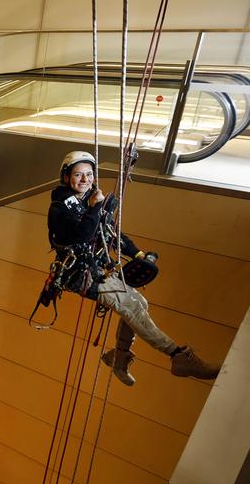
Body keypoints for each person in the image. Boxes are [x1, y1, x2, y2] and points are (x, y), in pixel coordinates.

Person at [46, 150, 220, 386]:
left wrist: (138, 253)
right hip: (80, 275)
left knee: (140, 303)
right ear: (66, 177)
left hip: (98, 269)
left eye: (89, 174)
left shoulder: (89, 201)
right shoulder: (60, 209)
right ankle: (177, 356)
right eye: (78, 174)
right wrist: (96, 208)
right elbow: (82, 236)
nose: (85, 179)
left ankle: (118, 357)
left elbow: (112, 234)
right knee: (129, 305)